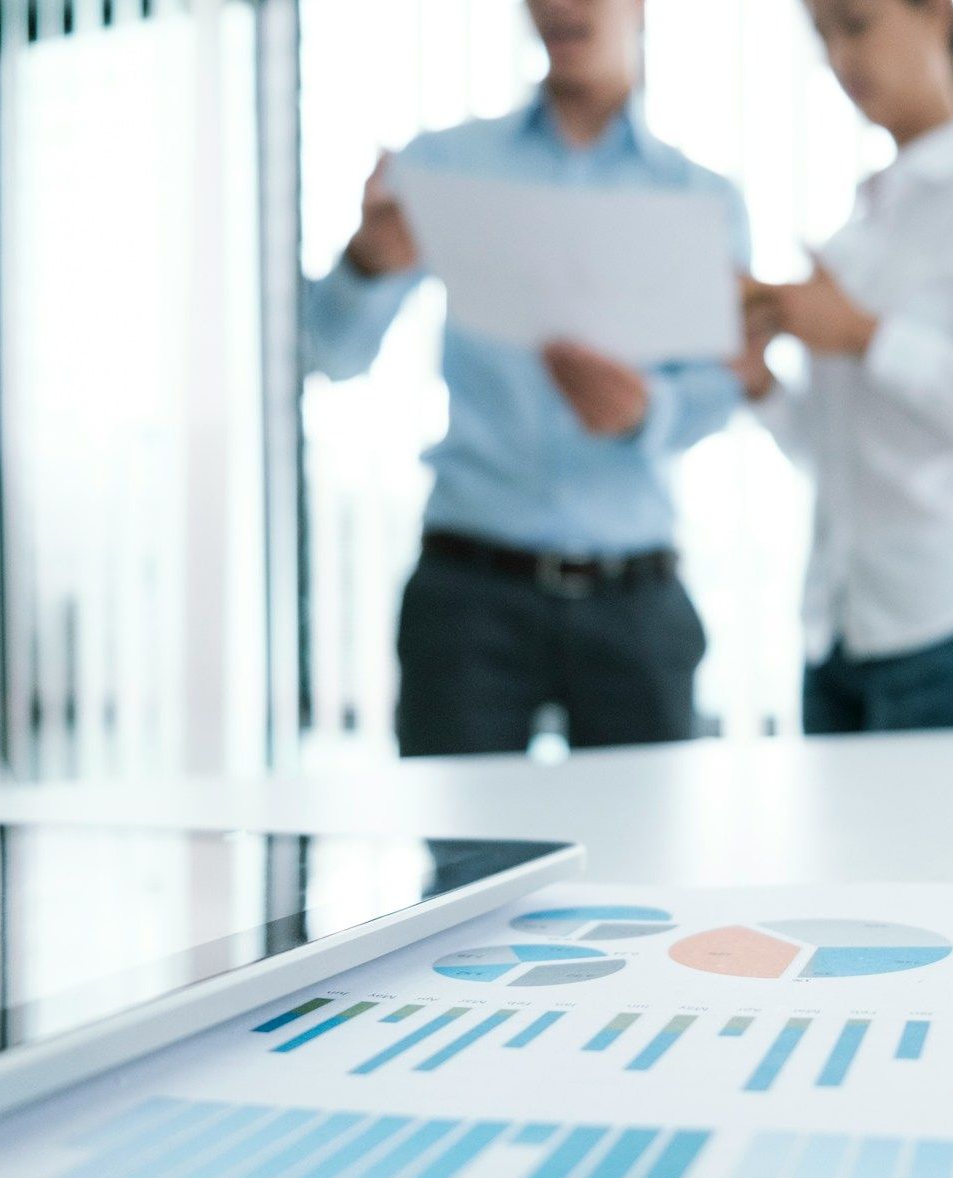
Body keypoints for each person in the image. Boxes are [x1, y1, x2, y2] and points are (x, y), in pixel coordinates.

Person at [306, 0, 767, 757]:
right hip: (469, 597)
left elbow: (724, 388)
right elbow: (334, 355)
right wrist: (364, 265)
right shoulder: (445, 167)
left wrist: (644, 412)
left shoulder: (702, 199)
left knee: (644, 867)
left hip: (637, 603)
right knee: (466, 865)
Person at [745, 0, 953, 735]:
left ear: (938, 15)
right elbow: (837, 453)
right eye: (822, 36)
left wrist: (867, 336)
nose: (841, 58)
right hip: (838, 637)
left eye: (856, 23)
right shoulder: (859, 232)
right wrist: (759, 382)